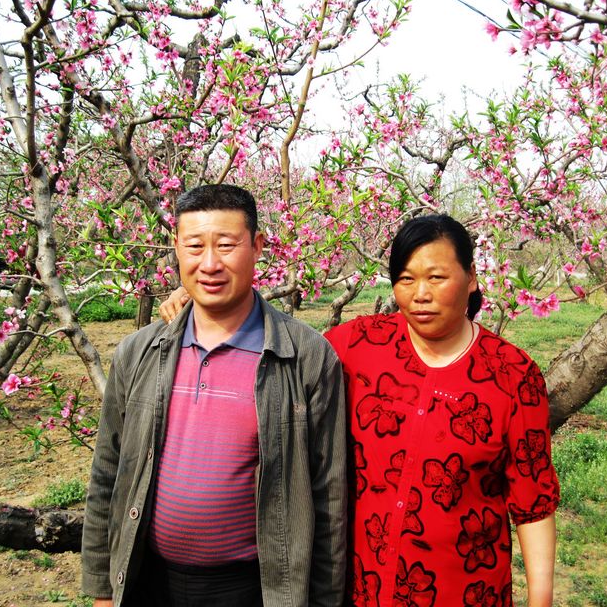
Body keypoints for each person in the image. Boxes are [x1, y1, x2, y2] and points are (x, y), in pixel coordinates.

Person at [160, 213, 559, 606]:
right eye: (405, 280)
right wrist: (206, 305)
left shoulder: (512, 374)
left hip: (464, 589)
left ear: (471, 277)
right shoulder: (360, 344)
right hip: (359, 587)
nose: (420, 294)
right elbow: (283, 350)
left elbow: (532, 503)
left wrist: (540, 597)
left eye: (436, 278)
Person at [82, 184, 347, 607]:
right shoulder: (139, 352)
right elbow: (108, 474)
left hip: (253, 588)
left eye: (226, 245)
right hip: (148, 580)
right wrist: (101, 587)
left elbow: (328, 495)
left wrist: (323, 599)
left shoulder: (306, 357)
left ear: (257, 246)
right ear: (176, 248)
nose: (209, 264)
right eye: (194, 246)